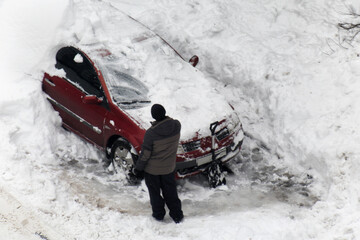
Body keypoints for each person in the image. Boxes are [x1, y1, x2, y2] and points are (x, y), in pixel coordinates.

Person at [134, 104, 184, 223]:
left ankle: (158, 215)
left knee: (155, 194)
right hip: (169, 168)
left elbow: (145, 154)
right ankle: (177, 215)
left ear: (153, 116)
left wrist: (138, 168)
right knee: (171, 192)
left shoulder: (151, 133)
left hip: (152, 171)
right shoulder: (177, 125)